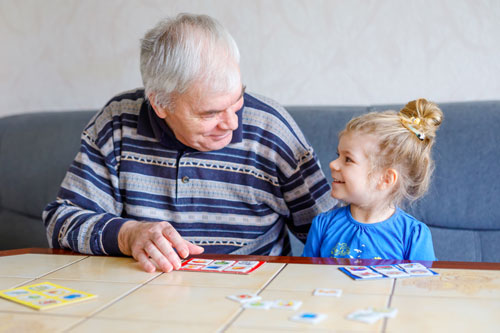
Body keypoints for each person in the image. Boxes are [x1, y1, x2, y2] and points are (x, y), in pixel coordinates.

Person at [43, 13, 335, 273]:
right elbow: (61, 222)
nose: (232, 124)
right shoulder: (116, 123)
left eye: (237, 102)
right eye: (210, 113)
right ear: (160, 104)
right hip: (148, 296)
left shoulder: (271, 129)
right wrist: (128, 235)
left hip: (251, 300)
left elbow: (333, 232)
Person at [302, 99, 442, 261]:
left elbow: (421, 284)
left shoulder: (413, 235)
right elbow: (305, 277)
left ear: (385, 179)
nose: (333, 164)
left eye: (348, 159)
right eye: (337, 155)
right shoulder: (323, 226)